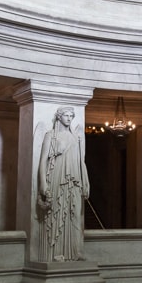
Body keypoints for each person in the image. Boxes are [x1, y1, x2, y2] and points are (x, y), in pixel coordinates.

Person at [37, 106, 89, 262]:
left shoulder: (75, 136)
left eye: (71, 116)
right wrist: (42, 184)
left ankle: (74, 252)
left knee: (75, 214)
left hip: (74, 180)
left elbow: (81, 162)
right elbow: (42, 162)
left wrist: (85, 181)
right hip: (57, 178)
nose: (69, 118)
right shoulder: (50, 136)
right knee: (58, 213)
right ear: (59, 117)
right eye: (66, 115)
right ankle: (57, 252)